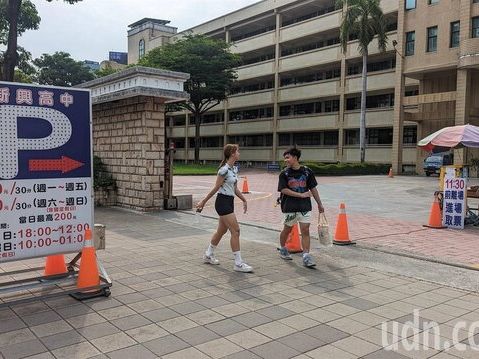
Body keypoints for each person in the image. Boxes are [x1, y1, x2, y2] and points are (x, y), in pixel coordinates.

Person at [196, 144, 253, 273]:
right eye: (237, 151)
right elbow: (216, 187)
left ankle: (208, 254)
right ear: (232, 153)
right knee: (236, 231)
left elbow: (235, 188)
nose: (239, 153)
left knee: (221, 231)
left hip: (229, 201)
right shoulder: (224, 170)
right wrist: (204, 201)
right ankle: (238, 264)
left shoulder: (234, 169)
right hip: (222, 202)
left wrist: (244, 199)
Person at [277, 147, 324, 267]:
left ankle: (306, 256)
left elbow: (313, 188)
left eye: (288, 157)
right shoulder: (284, 173)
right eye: (285, 158)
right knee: (287, 229)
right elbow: (283, 189)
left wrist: (319, 204)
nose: (285, 160)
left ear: (295, 158)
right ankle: (283, 248)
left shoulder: (307, 172)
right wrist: (300, 194)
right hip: (289, 206)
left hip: (304, 207)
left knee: (305, 230)